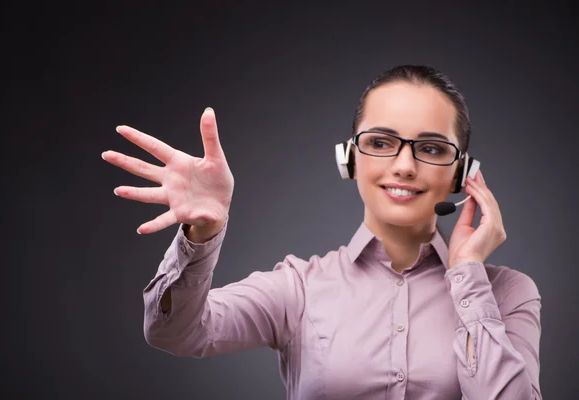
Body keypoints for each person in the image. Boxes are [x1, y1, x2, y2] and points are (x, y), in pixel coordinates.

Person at [101, 65, 541, 399]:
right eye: (382, 143)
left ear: (463, 173)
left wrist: (467, 274)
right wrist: (202, 233)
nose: (404, 166)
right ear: (349, 159)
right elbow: (174, 332)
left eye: (430, 148)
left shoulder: (507, 294)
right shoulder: (299, 288)